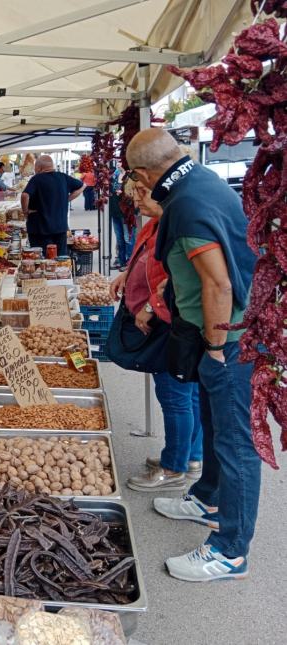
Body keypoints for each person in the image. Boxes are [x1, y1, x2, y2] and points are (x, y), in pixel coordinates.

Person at [126, 128, 258, 582]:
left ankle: (230, 550)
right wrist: (170, 285)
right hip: (221, 331)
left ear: (143, 173)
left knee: (236, 442)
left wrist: (217, 346)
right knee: (216, 423)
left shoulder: (186, 203)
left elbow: (218, 282)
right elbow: (200, 265)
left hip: (230, 337)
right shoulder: (200, 181)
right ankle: (207, 497)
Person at [109, 182, 203, 491]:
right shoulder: (156, 224)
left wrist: (151, 306)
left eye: (140, 192)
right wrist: (128, 272)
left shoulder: (177, 229)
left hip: (172, 323)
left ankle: (173, 467)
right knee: (186, 394)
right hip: (171, 321)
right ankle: (189, 457)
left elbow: (176, 279)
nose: (135, 199)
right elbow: (147, 262)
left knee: (176, 395)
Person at [20, 155, 83, 256]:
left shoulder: (37, 179)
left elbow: (24, 195)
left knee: (43, 259)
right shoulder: (63, 177)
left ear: (39, 167)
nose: (34, 170)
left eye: (35, 167)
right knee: (61, 258)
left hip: (40, 229)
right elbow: (82, 186)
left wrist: (25, 212)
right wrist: (67, 199)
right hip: (60, 227)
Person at [109, 167, 135, 268]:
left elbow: (133, 193)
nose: (119, 163)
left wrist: (124, 193)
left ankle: (130, 261)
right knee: (119, 238)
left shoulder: (131, 176)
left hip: (126, 213)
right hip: (115, 210)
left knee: (128, 238)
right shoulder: (114, 175)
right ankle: (121, 260)